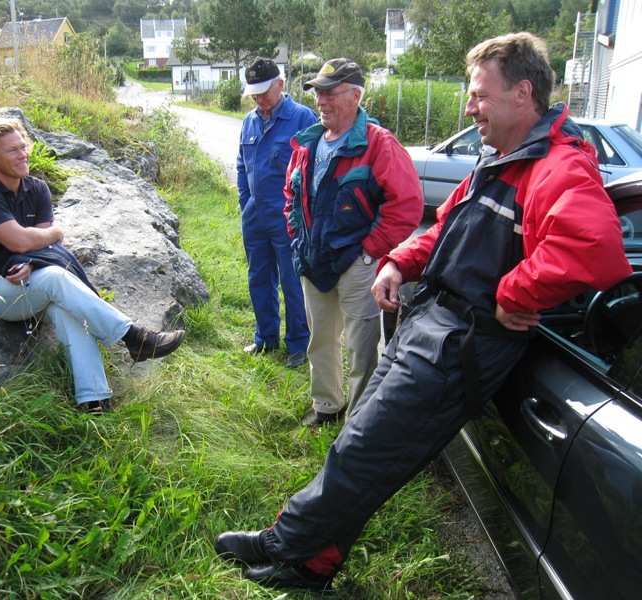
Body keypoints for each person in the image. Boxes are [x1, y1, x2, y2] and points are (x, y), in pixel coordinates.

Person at [214, 33, 632, 591]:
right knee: (361, 446)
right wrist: (397, 263)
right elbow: (441, 228)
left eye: (480, 95)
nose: (469, 106)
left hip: (460, 346)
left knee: (362, 452)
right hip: (430, 322)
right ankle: (315, 561)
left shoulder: (557, 168)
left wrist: (514, 295)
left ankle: (281, 542)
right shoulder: (504, 159)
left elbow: (593, 248)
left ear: (522, 93)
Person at [0, 117, 185, 413]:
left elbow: (43, 247)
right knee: (55, 276)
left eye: (23, 146)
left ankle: (93, 399)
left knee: (67, 310)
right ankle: (133, 337)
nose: (23, 154)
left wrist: (33, 255)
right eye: (12, 151)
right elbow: (20, 241)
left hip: (34, 283)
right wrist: (49, 236)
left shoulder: (37, 189)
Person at [282, 58, 423, 426]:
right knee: (320, 339)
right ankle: (327, 406)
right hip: (313, 261)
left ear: (356, 95)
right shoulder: (308, 143)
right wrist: (298, 239)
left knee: (362, 347)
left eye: (330, 93)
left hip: (358, 263)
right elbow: (291, 195)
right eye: (318, 93)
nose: (321, 101)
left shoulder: (379, 144)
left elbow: (407, 206)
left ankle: (359, 420)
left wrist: (370, 251)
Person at [237, 57, 317, 368]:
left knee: (292, 280)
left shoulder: (302, 118)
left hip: (288, 216)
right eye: (254, 93)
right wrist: (246, 204)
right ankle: (265, 338)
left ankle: (298, 344)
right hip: (255, 215)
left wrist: (302, 213)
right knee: (259, 277)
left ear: (280, 85)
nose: (259, 99)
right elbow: (242, 166)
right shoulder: (249, 121)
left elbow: (315, 168)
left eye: (264, 92)